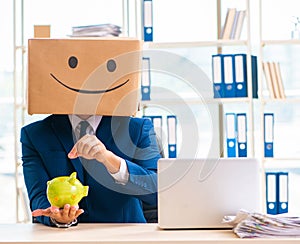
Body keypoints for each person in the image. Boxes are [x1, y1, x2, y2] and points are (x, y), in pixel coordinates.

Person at [21, 113, 161, 227]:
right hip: (63, 238)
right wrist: (57, 217)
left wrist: (108, 159)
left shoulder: (138, 128)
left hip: (123, 235)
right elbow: (38, 197)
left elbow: (157, 192)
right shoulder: (34, 134)